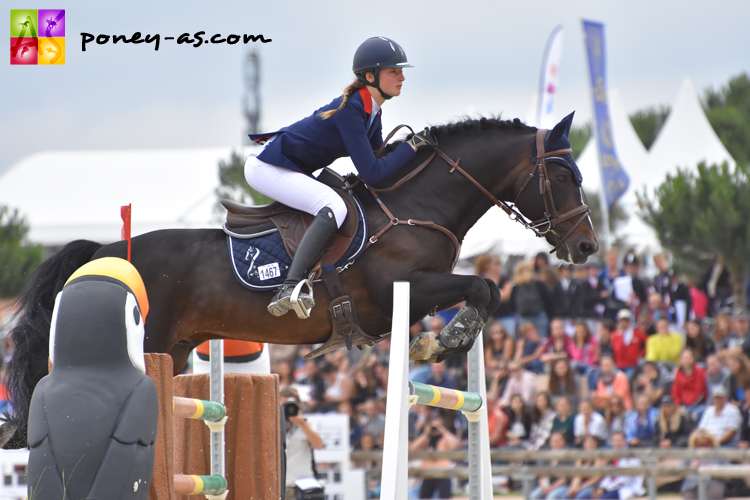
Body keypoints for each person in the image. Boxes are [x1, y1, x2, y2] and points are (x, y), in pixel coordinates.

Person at [245, 37, 433, 317]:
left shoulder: (372, 110)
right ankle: (290, 285)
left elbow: (376, 167)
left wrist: (411, 152)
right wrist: (410, 147)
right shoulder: (353, 110)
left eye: (401, 71)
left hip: (291, 167)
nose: (402, 77)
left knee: (337, 200)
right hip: (269, 168)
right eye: (394, 71)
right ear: (370, 76)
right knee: (333, 206)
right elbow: (372, 172)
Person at [281, 387, 324, 499]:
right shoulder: (274, 425)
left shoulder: (307, 423)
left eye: (291, 405)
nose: (288, 409)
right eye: (284, 405)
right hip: (281, 486)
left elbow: (319, 445)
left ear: (298, 405)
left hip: (302, 486)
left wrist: (301, 423)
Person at [410, 411, 459, 499]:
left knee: (445, 497)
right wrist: (426, 433)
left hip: (443, 474)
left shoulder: (445, 439)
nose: (435, 428)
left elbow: (453, 445)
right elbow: (414, 447)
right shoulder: (426, 439)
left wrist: (442, 430)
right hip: (428, 474)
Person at [588, 431, 645, 500]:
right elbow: (608, 476)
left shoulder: (631, 457)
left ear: (625, 441)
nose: (617, 443)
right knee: (586, 497)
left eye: (619, 440)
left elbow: (625, 480)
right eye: (615, 441)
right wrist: (601, 488)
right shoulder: (613, 456)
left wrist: (605, 489)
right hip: (612, 488)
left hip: (625, 489)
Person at [680, 430, 728, 500]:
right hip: (691, 485)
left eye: (707, 444)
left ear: (712, 443)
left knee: (715, 492)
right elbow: (680, 472)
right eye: (700, 444)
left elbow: (728, 473)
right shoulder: (688, 453)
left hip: (714, 483)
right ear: (694, 444)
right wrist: (691, 468)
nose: (704, 447)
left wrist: (714, 470)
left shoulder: (720, 453)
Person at [511, 261, 553, 337]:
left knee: (525, 343)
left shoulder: (515, 287)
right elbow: (549, 301)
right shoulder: (538, 284)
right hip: (539, 316)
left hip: (523, 319)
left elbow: (512, 305)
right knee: (542, 342)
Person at [529, 432, 573, 500]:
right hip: (548, 485)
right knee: (534, 496)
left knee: (551, 497)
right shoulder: (547, 456)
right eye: (554, 441)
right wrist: (544, 487)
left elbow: (564, 479)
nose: (556, 443)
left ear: (563, 442)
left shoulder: (568, 456)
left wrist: (551, 488)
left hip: (564, 486)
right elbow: (541, 475)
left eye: (558, 440)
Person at [610, 309, 648, 379]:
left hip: (632, 365)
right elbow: (618, 349)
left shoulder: (636, 333)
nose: (624, 323)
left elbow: (649, 342)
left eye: (626, 320)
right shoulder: (615, 335)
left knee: (627, 379)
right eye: (622, 320)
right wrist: (621, 334)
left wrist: (641, 353)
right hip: (619, 365)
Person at [567, 435, 608, 500]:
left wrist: (581, 488)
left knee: (580, 496)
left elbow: (597, 477)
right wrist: (573, 487)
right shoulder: (580, 457)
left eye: (592, 442)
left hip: (595, 485)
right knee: (567, 495)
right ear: (584, 444)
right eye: (588, 442)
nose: (590, 444)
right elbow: (577, 474)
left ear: (596, 444)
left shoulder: (600, 457)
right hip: (581, 484)